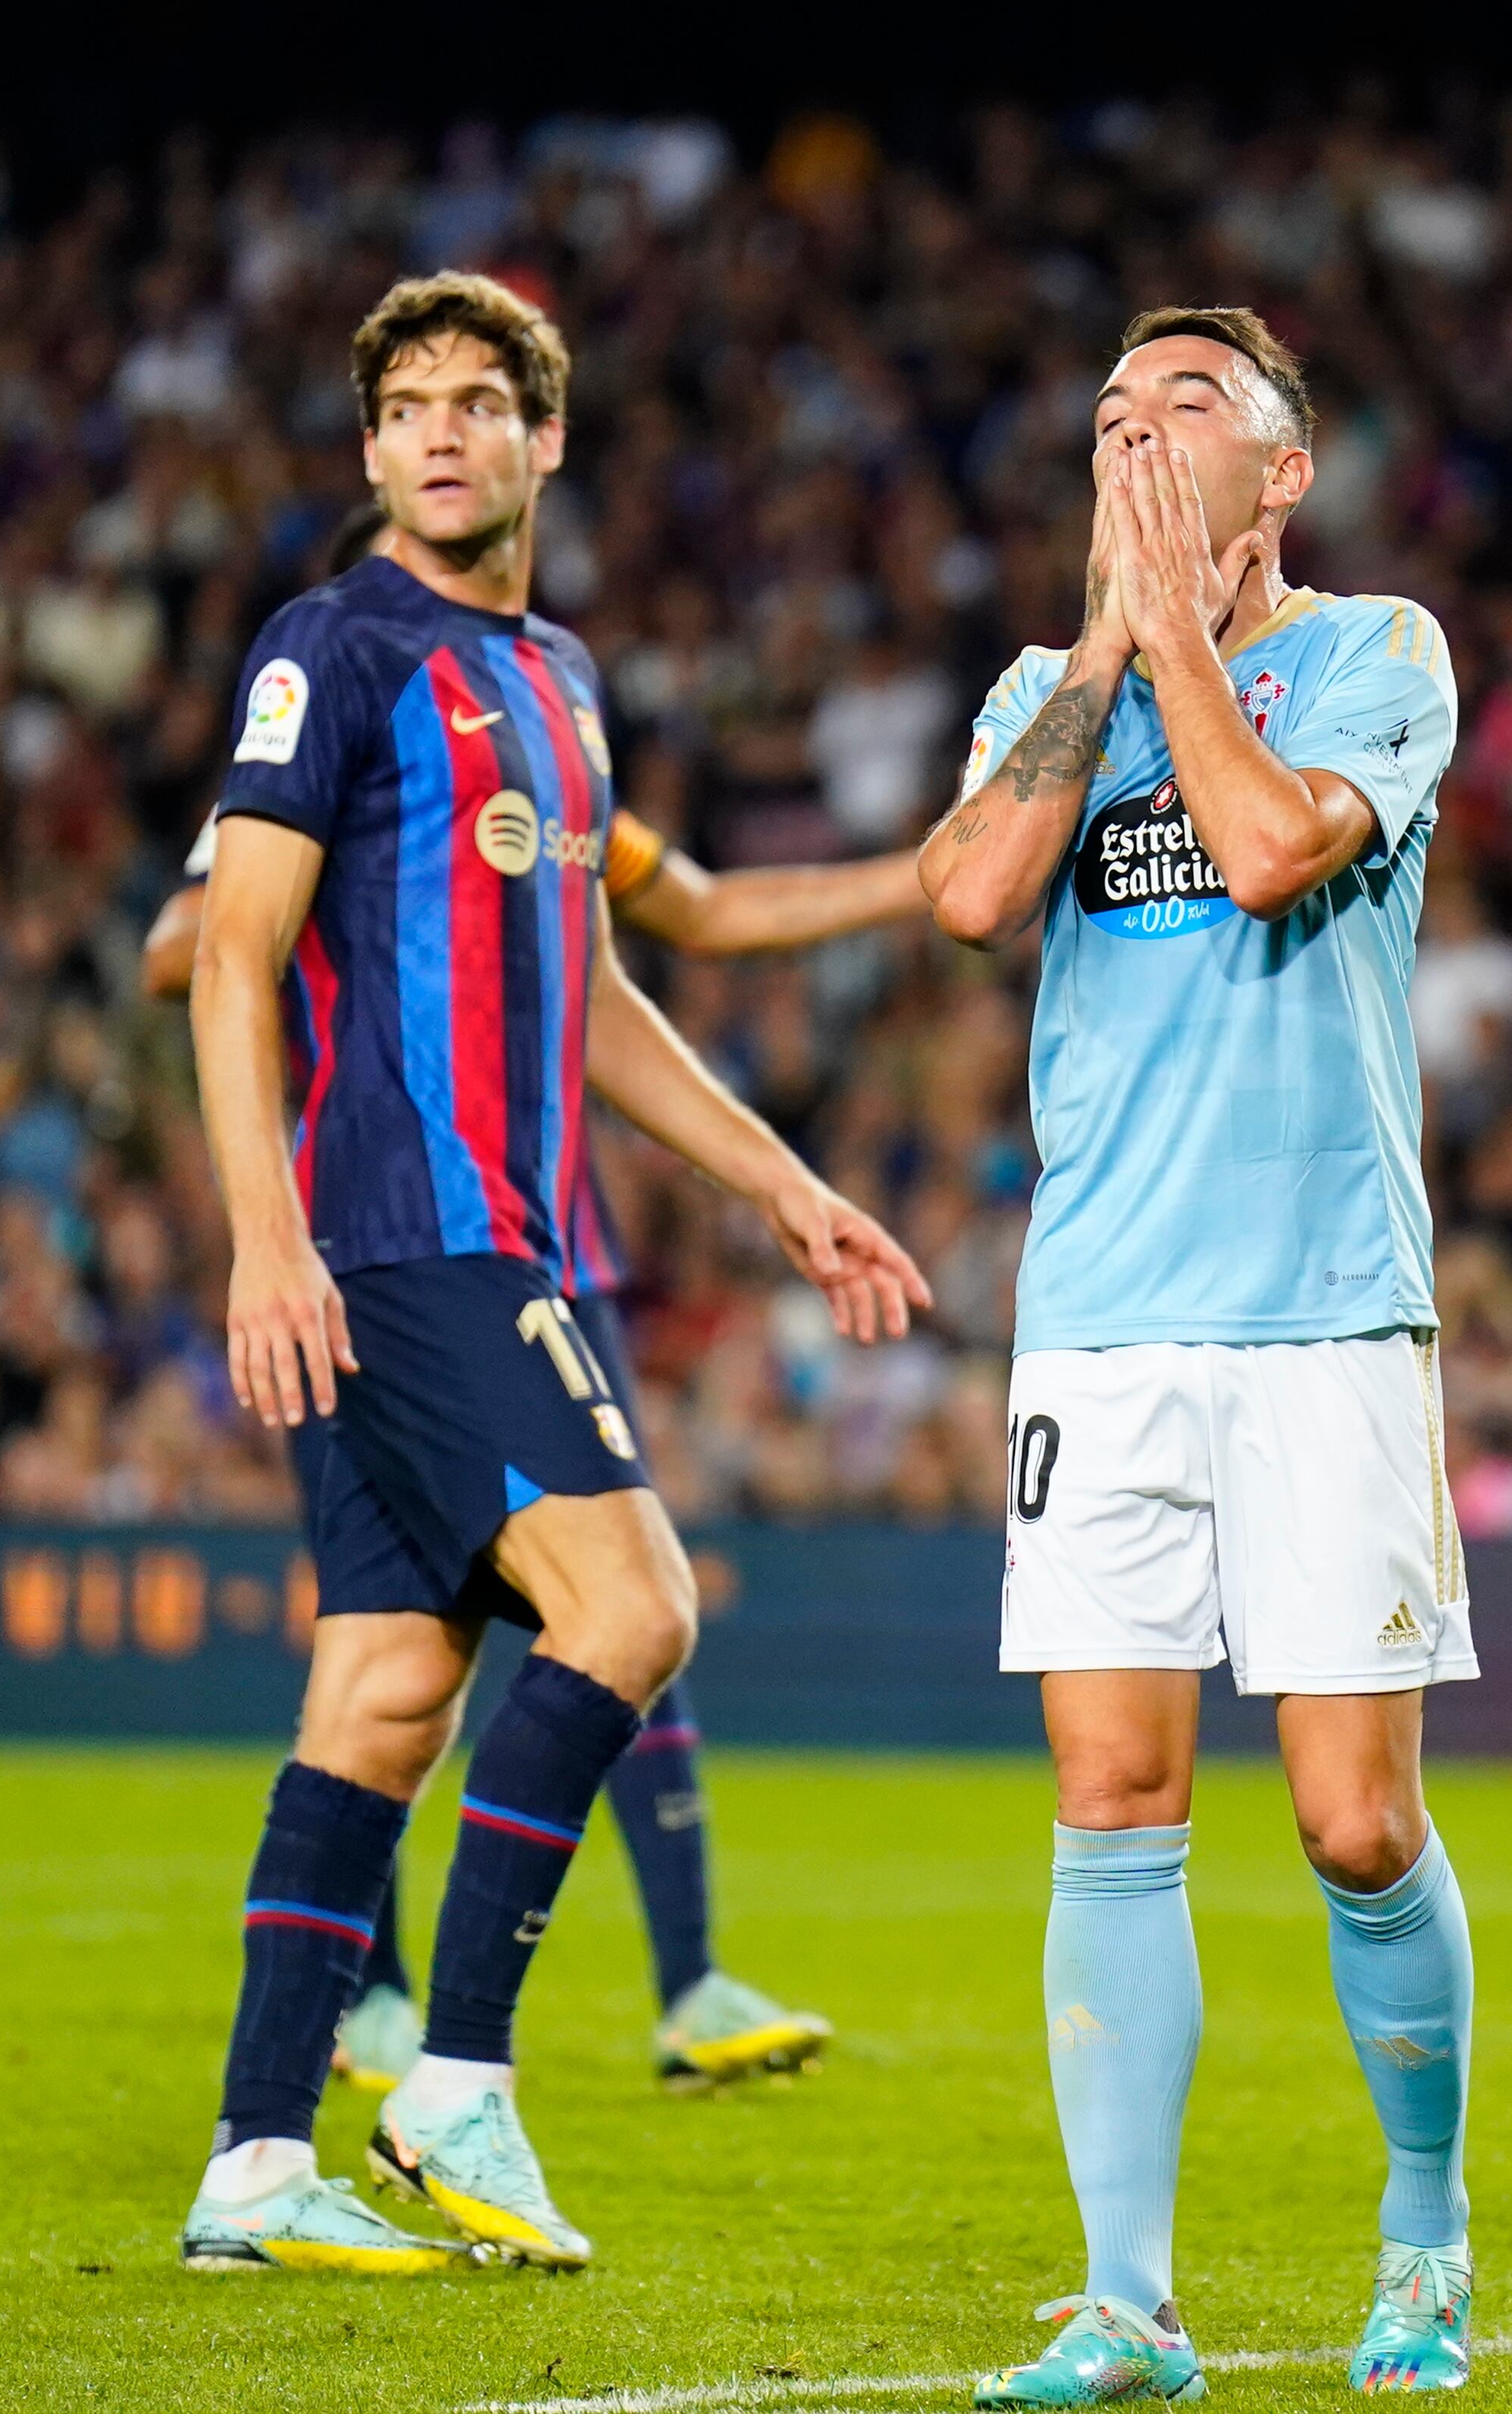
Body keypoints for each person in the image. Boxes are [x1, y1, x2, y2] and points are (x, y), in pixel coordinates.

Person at [175, 272, 929, 2279]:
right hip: (407, 1239)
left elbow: (591, 985)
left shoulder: (565, 683)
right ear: (369, 452)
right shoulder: (328, 648)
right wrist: (266, 1236)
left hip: (488, 1236)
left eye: (478, 403)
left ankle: (255, 2159)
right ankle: (460, 2080)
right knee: (640, 1597)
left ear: (544, 439)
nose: (440, 432)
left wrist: (780, 1178)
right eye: (406, 405)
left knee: (390, 1683)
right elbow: (229, 956)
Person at [921, 308, 1475, 2401]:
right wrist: (1100, 650)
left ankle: (1421, 2226)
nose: (1133, 439)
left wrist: (1174, 644)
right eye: (1107, 419)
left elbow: (1261, 849)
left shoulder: (1379, 657)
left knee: (1350, 1820)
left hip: (1327, 1309)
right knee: (1111, 1788)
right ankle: (1128, 2299)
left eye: (1183, 412)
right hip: (1102, 1322)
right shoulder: (1040, 689)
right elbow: (972, 890)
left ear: (1283, 471)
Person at [146, 737, 923, 2092]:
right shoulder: (340, 723)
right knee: (460, 1640)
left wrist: (935, 869)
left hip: (539, 1244)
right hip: (388, 1245)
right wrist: (344, 901)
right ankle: (421, 2042)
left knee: (532, 1626)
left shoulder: (544, 739)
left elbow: (696, 914)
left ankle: (314, 2127)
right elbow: (187, 944)